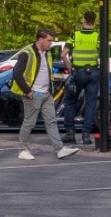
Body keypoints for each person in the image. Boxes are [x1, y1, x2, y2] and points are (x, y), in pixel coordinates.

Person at [11, 28, 79, 161]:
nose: (51, 43)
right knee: (29, 122)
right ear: (40, 39)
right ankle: (23, 149)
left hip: (46, 93)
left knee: (51, 121)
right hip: (33, 93)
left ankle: (59, 149)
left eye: (52, 41)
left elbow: (46, 71)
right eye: (49, 40)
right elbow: (16, 73)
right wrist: (28, 91)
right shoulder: (27, 53)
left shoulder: (47, 53)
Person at [61, 11, 100, 146]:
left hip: (78, 72)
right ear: (94, 21)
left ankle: (70, 134)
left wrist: (70, 68)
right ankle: (86, 135)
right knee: (90, 103)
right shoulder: (98, 36)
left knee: (70, 101)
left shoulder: (75, 35)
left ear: (84, 20)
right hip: (93, 72)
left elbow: (63, 54)